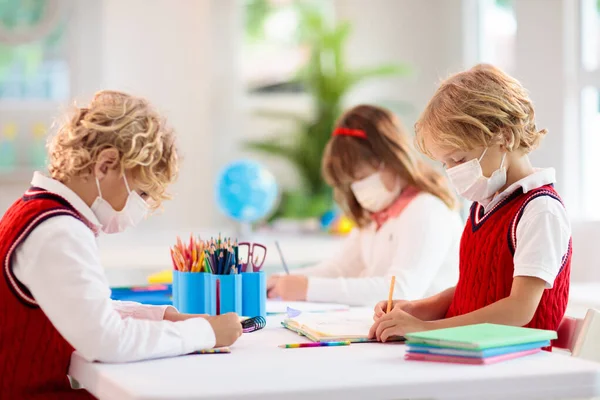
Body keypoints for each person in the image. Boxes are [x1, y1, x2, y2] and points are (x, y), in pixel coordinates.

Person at [0, 91, 242, 398]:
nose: (140, 208)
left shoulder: (38, 211)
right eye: (140, 194)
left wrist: (164, 317)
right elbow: (108, 341)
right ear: (105, 165)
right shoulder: (59, 231)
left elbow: (83, 308)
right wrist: (206, 333)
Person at [370, 65, 572, 344]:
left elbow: (519, 309)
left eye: (459, 159)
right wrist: (418, 310)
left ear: (505, 137)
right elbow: (475, 289)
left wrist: (424, 330)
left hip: (515, 363)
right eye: (446, 163)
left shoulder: (540, 210)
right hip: (471, 351)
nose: (452, 172)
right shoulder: (486, 203)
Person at [268, 105, 463, 306]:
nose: (357, 188)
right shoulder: (378, 213)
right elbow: (340, 269)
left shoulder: (427, 210)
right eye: (351, 182)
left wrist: (308, 288)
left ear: (391, 160)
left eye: (362, 177)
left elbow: (402, 291)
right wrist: (282, 280)